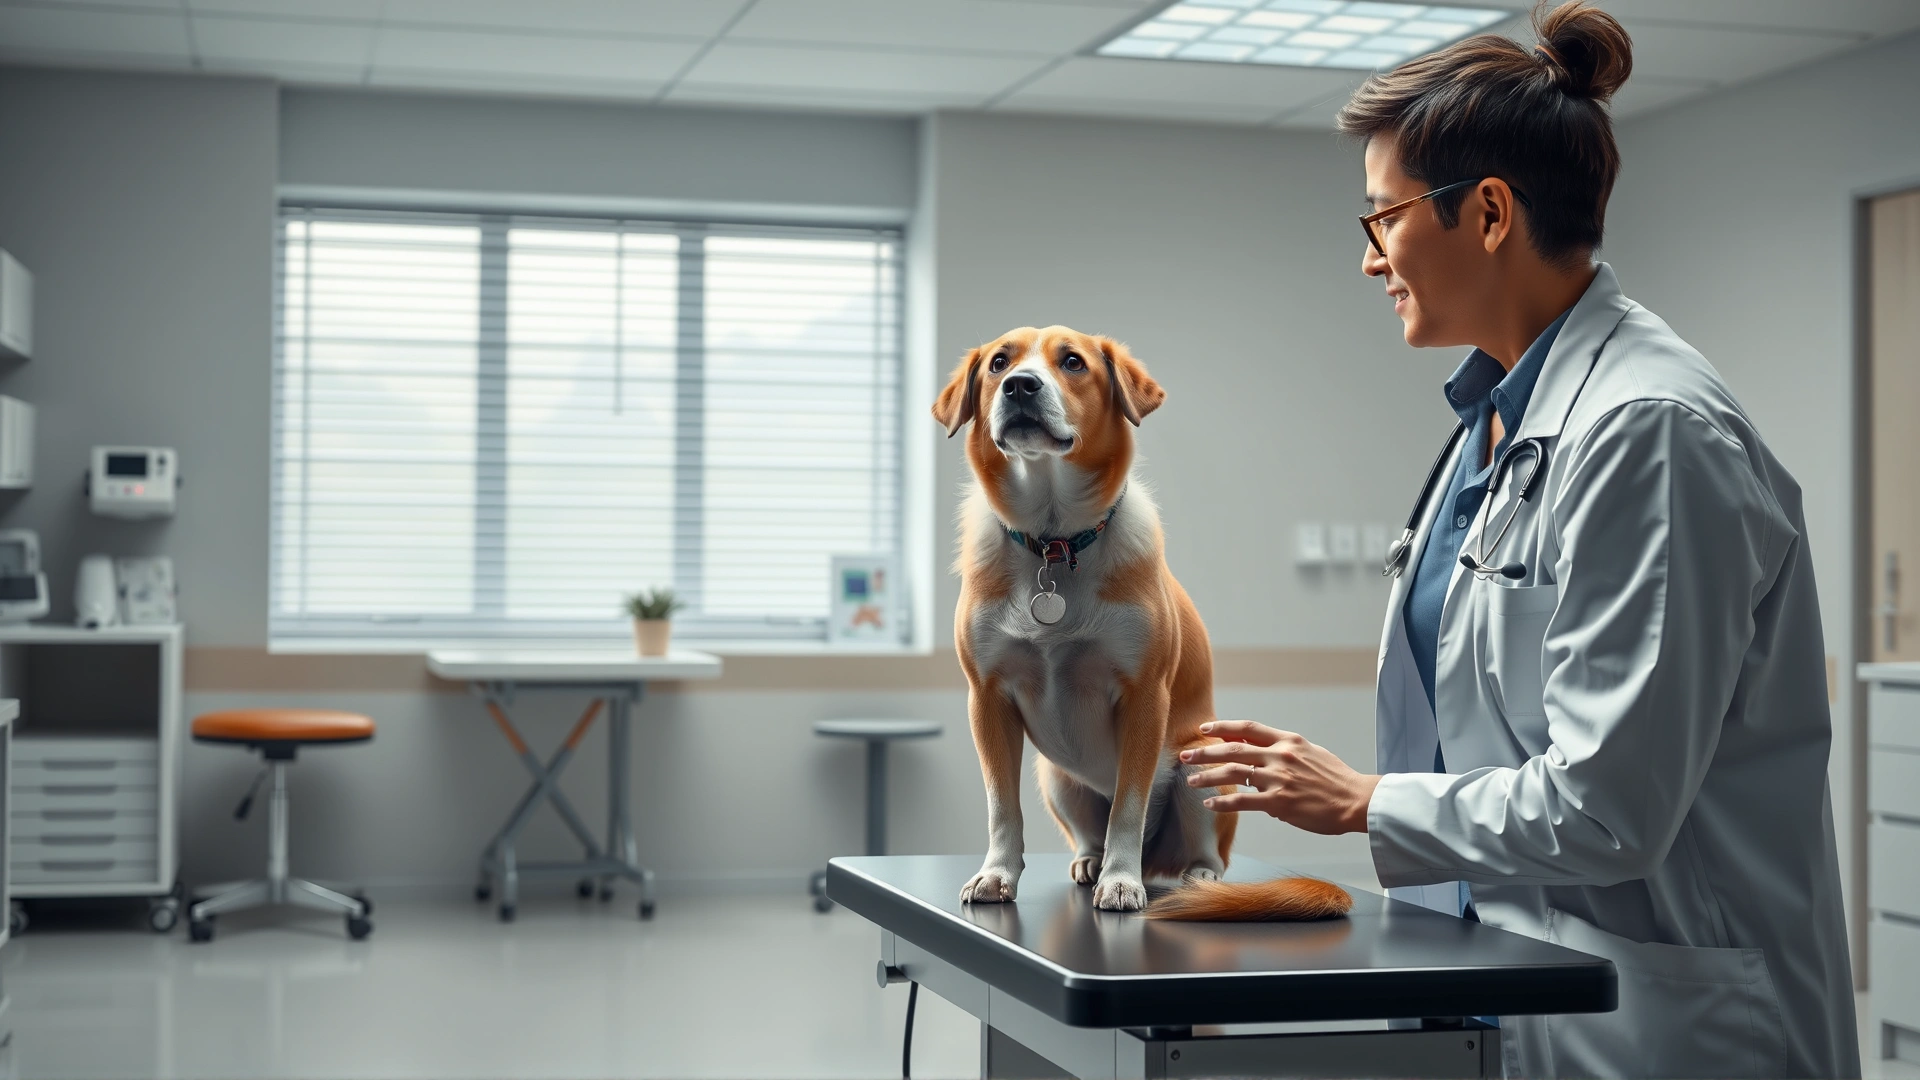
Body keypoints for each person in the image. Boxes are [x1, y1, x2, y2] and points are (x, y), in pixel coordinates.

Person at [1177, 4, 1858, 1077]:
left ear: (1488, 213)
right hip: (1514, 983)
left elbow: (1608, 806)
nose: (1369, 260)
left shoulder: (1653, 432)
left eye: (1381, 219)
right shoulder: (1496, 420)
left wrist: (1363, 802)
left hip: (1664, 1023)